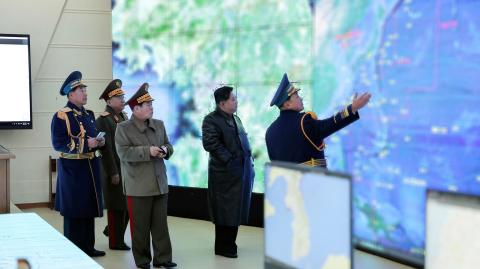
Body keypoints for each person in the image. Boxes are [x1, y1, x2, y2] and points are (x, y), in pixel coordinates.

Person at [115, 83, 177, 269]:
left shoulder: (159, 125)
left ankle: (163, 258)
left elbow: (169, 145)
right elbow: (123, 154)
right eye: (147, 104)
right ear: (136, 109)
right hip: (138, 186)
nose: (151, 107)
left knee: (160, 226)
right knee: (140, 228)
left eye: (151, 103)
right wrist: (147, 151)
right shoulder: (124, 128)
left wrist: (166, 150)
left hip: (159, 183)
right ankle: (142, 260)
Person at [50, 71, 106, 257]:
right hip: (73, 170)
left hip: (90, 168)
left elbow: (92, 136)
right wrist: (85, 144)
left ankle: (88, 247)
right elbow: (59, 143)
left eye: (84, 89)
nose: (85, 92)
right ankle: (73, 251)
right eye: (81, 89)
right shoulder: (61, 115)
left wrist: (99, 142)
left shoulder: (88, 114)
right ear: (71, 94)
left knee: (88, 209)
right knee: (74, 212)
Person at [266, 73, 371, 168]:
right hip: (311, 184)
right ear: (287, 104)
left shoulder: (270, 132)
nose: (301, 98)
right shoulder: (303, 121)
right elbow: (330, 124)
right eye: (297, 96)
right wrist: (352, 108)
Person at [201, 86, 255, 258]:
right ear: (222, 103)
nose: (236, 101)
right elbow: (211, 144)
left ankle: (230, 243)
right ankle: (224, 246)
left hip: (241, 173)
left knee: (235, 209)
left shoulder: (235, 118)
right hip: (225, 174)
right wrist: (230, 161)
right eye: (233, 99)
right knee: (225, 211)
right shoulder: (211, 120)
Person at [96, 79, 131, 251]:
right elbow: (106, 149)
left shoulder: (123, 116)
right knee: (117, 206)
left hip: (127, 169)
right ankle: (116, 242)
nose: (123, 99)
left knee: (127, 206)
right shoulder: (104, 120)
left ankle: (112, 231)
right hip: (114, 168)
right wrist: (113, 172)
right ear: (109, 101)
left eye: (123, 96)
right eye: (119, 97)